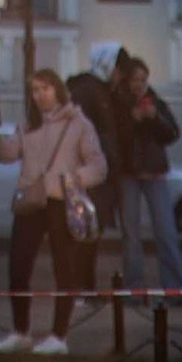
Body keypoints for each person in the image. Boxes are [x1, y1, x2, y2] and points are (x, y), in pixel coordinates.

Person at [0, 65, 106, 353]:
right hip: (32, 200)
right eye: (35, 90)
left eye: (45, 88)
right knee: (18, 266)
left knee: (64, 267)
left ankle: (59, 336)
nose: (40, 95)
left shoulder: (78, 123)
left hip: (61, 200)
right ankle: (21, 331)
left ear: (57, 89)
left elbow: (98, 165)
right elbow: (8, 154)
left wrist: (75, 178)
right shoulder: (28, 125)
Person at [112, 51, 182, 292]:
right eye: (135, 80)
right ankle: (134, 287)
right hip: (128, 174)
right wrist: (133, 119)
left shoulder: (156, 102)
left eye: (143, 80)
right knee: (131, 234)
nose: (139, 85)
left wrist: (155, 117)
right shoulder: (118, 104)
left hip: (155, 173)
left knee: (166, 231)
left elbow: (173, 134)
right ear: (127, 81)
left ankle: (175, 288)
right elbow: (115, 139)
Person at [69, 43, 125, 246]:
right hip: (90, 176)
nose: (120, 76)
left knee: (92, 235)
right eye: (118, 70)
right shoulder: (88, 91)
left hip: (99, 174)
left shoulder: (104, 91)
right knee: (85, 236)